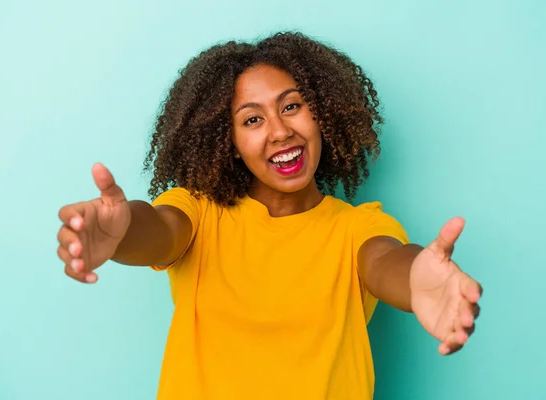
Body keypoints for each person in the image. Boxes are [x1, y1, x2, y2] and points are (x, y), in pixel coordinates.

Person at [56, 31, 482, 399]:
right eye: (252, 119)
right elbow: (158, 229)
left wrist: (417, 281)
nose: (280, 131)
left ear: (323, 113)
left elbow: (387, 261)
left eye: (292, 106)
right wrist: (121, 232)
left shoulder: (357, 227)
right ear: (228, 141)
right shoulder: (201, 212)